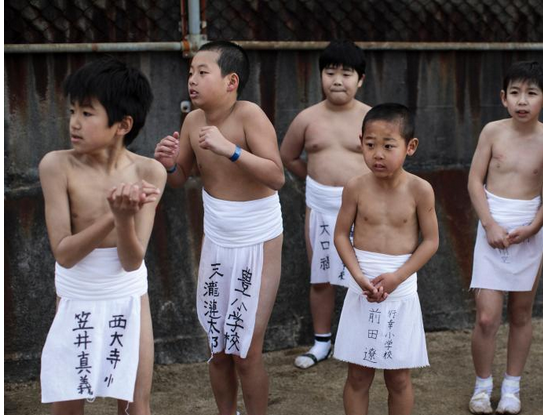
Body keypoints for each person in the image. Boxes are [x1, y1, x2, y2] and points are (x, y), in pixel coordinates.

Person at [153, 41, 285, 415]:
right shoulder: (193, 120)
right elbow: (180, 179)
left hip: (259, 241)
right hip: (217, 241)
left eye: (201, 72)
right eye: (190, 72)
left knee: (247, 351)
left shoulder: (250, 115)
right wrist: (167, 164)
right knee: (219, 347)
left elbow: (277, 177)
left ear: (231, 81)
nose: (191, 80)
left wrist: (231, 149)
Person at [39, 57, 165, 415]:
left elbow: (132, 260)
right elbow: (63, 253)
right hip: (76, 292)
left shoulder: (149, 171)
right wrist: (114, 216)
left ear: (123, 124)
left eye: (87, 113)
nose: (74, 123)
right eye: (73, 110)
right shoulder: (56, 165)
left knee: (136, 404)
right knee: (67, 402)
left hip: (127, 293)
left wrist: (124, 221)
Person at [332, 103, 439, 415]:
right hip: (361, 284)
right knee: (358, 375)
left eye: (388, 146)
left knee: (399, 377)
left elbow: (431, 241)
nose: (377, 154)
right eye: (370, 145)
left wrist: (397, 277)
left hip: (400, 288)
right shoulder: (355, 187)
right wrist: (357, 275)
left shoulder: (421, 190)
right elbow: (341, 235)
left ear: (410, 147)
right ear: (360, 142)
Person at [467, 61, 543, 414]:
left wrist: (535, 227)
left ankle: (511, 387)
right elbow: (475, 181)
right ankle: (482, 385)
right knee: (487, 316)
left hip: (529, 228)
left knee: (521, 313)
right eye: (515, 93)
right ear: (503, 98)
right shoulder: (492, 131)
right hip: (491, 225)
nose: (523, 101)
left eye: (531, 94)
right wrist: (488, 223)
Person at [280, 39, 371, 369]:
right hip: (319, 205)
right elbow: (287, 155)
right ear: (319, 76)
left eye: (346, 73)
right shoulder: (307, 119)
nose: (337, 79)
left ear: (360, 80)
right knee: (320, 277)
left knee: (363, 276)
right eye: (329, 71)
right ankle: (321, 341)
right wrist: (312, 179)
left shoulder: (371, 118)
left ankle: (358, 339)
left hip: (363, 208)